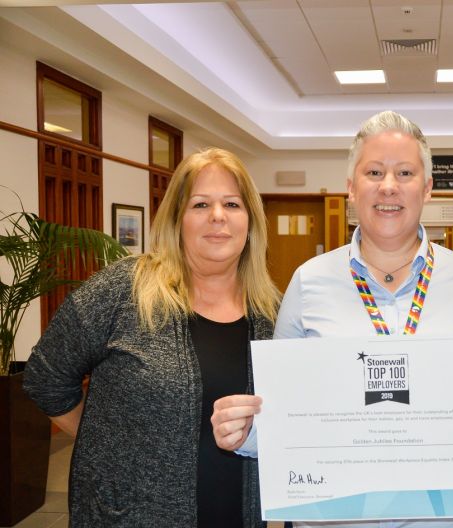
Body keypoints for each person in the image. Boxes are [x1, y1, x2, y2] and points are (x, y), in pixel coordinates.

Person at [211, 110, 453, 528]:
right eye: (374, 171)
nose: (389, 186)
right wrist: (243, 432)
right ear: (351, 188)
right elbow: (281, 417)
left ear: (427, 188)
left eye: (405, 173)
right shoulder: (308, 283)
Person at [23, 148, 281, 527]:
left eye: (232, 204)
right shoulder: (123, 290)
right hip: (131, 516)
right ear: (177, 218)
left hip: (238, 514)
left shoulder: (271, 312)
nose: (218, 217)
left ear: (251, 221)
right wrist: (109, 448)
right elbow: (45, 379)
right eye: (200, 204)